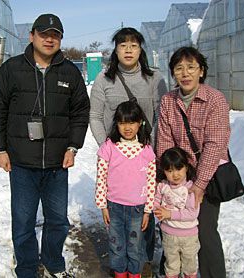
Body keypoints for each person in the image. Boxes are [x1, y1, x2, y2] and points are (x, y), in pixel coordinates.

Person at [0, 14, 90, 278]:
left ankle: (54, 264)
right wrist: (0, 149)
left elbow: (80, 112)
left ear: (60, 40)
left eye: (55, 34)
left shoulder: (70, 72)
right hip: (22, 163)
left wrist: (73, 147)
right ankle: (27, 269)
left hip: (57, 164)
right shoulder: (11, 69)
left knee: (57, 221)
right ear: (32, 36)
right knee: (23, 222)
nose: (49, 39)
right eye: (44, 33)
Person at [90, 27, 167, 270]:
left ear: (141, 49)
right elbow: (95, 115)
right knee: (118, 212)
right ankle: (120, 263)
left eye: (134, 45)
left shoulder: (154, 78)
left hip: (145, 154)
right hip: (117, 157)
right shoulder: (105, 79)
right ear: (115, 49)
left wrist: (150, 149)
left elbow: (161, 114)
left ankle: (141, 262)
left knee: (144, 208)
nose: (128, 50)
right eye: (123, 45)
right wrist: (109, 149)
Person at [156, 46, 230, 278]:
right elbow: (165, 142)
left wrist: (198, 185)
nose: (185, 73)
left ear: (201, 71)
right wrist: (169, 176)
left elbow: (215, 143)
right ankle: (170, 272)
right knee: (171, 227)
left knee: (205, 231)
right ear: (173, 73)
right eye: (179, 68)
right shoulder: (169, 101)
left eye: (191, 67)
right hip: (178, 175)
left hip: (208, 176)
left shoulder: (214, 99)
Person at [95, 101, 156, 278]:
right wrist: (103, 206)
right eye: (122, 123)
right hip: (114, 207)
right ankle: (120, 273)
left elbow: (151, 182)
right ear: (116, 124)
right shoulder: (108, 148)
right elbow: (101, 178)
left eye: (131, 122)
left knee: (135, 245)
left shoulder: (146, 150)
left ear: (140, 123)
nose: (127, 128)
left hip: (138, 208)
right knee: (116, 244)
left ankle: (134, 273)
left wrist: (147, 210)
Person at [154, 147, 200, 278]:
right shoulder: (163, 186)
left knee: (189, 265)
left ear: (186, 167)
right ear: (164, 171)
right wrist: (156, 209)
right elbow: (156, 201)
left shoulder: (190, 189)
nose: (175, 174)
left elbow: (192, 213)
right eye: (170, 171)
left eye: (179, 169)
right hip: (169, 234)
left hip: (189, 236)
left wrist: (169, 214)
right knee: (171, 265)